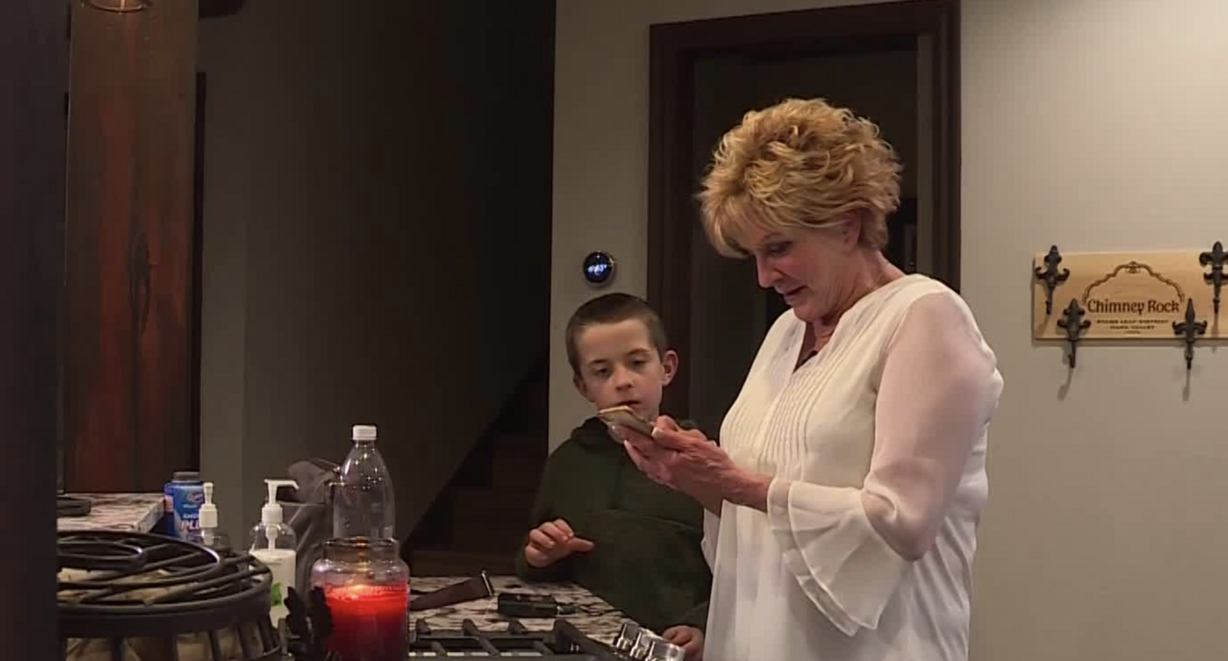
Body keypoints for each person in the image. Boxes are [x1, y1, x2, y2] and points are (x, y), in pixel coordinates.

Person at [614, 98, 1005, 660]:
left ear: (847, 226)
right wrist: (691, 476)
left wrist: (736, 483)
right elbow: (768, 513)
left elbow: (903, 521)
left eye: (779, 248)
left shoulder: (924, 317)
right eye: (753, 254)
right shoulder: (785, 335)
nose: (764, 276)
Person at [514, 293, 711, 659]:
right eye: (602, 371)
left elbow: (737, 569)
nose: (623, 381)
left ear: (666, 368)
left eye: (637, 363)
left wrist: (702, 625)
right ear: (583, 386)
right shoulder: (567, 462)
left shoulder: (701, 464)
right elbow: (536, 558)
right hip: (584, 647)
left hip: (672, 649)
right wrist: (538, 556)